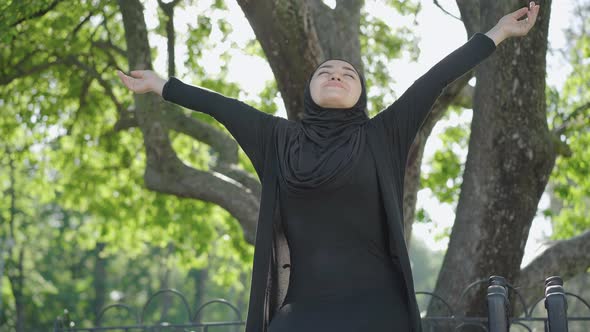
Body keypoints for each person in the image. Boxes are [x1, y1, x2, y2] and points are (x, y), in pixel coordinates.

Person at [117, 2, 539, 331]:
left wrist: (498, 32)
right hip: (302, 316)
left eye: (347, 73)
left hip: (379, 314)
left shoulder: (382, 135)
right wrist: (162, 85)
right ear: (309, 89)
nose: (336, 74)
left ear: (360, 94)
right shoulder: (276, 139)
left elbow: (435, 78)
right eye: (326, 71)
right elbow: (222, 107)